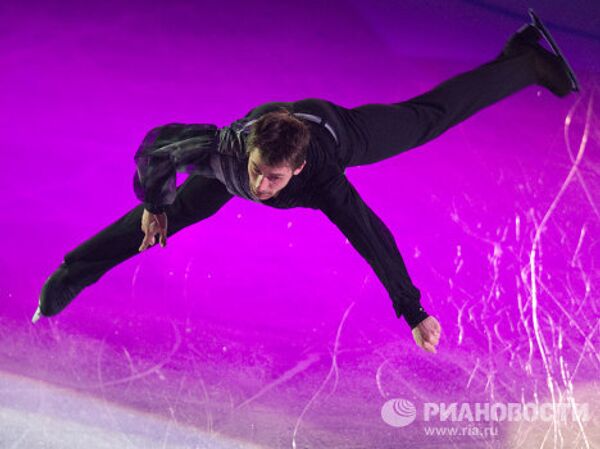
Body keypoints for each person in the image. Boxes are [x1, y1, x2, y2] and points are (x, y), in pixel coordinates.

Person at [33, 18, 578, 354]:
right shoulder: (223, 150)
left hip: (338, 130)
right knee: (163, 217)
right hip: (265, 131)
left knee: (426, 119)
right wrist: (154, 203)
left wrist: (412, 310)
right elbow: (155, 145)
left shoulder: (321, 178)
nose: (260, 187)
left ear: (294, 174)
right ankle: (67, 276)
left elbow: (371, 236)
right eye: (255, 172)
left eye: (272, 179)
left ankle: (526, 61)